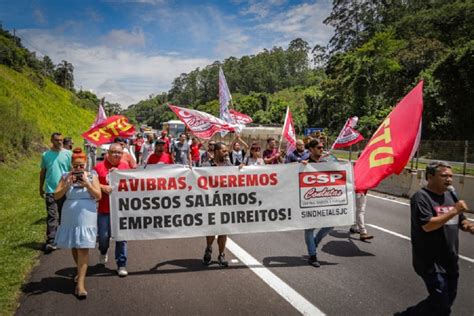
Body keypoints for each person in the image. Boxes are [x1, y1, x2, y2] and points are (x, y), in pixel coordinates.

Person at [398, 161, 474, 316]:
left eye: (451, 176)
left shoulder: (451, 195)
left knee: (447, 300)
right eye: (444, 176)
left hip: (450, 258)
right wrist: (454, 211)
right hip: (429, 261)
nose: (449, 179)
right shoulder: (421, 197)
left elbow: (460, 220)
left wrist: (468, 225)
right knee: (440, 300)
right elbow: (427, 225)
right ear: (430, 176)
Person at [53, 148, 101, 299]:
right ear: (71, 165)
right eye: (75, 166)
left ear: (86, 164)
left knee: (83, 247)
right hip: (70, 213)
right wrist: (67, 185)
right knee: (74, 244)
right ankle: (80, 271)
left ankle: (80, 284)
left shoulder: (92, 176)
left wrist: (87, 184)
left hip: (87, 212)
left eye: (81, 166)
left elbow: (98, 196)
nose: (79, 169)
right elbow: (56, 196)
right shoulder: (65, 176)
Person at [94, 143, 130, 277]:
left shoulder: (125, 167)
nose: (117, 155)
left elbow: (135, 182)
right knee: (103, 237)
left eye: (119, 152)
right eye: (114, 152)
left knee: (121, 238)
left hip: (121, 210)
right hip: (104, 209)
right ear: (108, 153)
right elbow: (90, 181)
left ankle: (121, 264)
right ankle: (103, 251)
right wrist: (102, 187)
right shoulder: (99, 167)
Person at [301, 139, 334, 267]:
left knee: (331, 224)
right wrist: (301, 166)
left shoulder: (326, 163)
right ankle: (312, 255)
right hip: (308, 201)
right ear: (311, 150)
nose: (321, 149)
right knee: (309, 229)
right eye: (319, 147)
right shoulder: (304, 163)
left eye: (322, 147)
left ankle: (314, 243)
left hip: (324, 200)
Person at [39, 132, 72, 253]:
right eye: (57, 140)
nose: (59, 142)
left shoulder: (68, 154)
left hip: (64, 190)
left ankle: (63, 237)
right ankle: (51, 241)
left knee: (64, 215)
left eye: (61, 140)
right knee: (52, 216)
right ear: (52, 141)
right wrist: (40, 187)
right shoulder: (45, 155)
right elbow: (43, 172)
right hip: (50, 190)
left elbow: (72, 171)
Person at [202, 142, 233, 267]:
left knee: (223, 231)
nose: (226, 153)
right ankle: (208, 248)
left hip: (225, 202)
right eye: (223, 151)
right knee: (211, 229)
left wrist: (241, 168)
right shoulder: (206, 165)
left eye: (226, 151)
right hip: (211, 202)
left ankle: (221, 254)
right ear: (216, 151)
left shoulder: (229, 165)